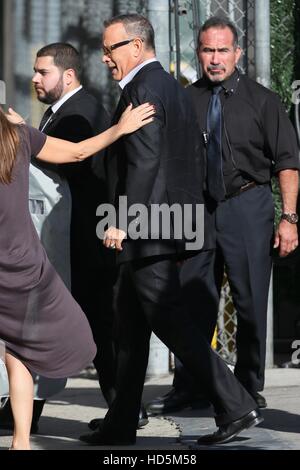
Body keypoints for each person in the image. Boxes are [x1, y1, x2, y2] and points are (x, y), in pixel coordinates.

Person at [80, 13, 263, 447]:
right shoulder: (173, 90)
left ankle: (236, 404)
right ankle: (120, 423)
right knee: (129, 326)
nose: (106, 58)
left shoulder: (144, 90)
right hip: (165, 222)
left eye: (111, 49)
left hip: (145, 226)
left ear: (137, 47)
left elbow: (145, 163)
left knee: (169, 321)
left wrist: (123, 221)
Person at [147, 15, 300, 416]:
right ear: (198, 52)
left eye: (222, 50)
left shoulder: (262, 101)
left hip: (247, 205)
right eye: (207, 50)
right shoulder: (186, 99)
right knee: (193, 300)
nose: (214, 59)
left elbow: (287, 163)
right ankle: (190, 385)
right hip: (198, 209)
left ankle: (248, 388)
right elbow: (172, 165)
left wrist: (290, 218)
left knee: (250, 303)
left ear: (238, 52)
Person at [0, 101, 154, 450]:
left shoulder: (18, 132)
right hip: (23, 265)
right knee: (19, 351)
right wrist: (120, 128)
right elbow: (76, 152)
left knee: (15, 351)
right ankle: (21, 441)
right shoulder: (18, 135)